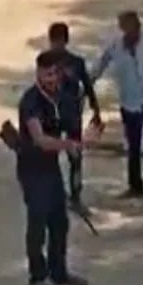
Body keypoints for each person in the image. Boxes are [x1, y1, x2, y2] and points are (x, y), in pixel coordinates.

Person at [18, 50, 90, 285]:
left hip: (51, 167)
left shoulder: (61, 98)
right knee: (37, 222)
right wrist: (68, 145)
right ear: (38, 73)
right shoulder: (30, 102)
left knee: (59, 221)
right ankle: (37, 276)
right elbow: (40, 140)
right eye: (46, 74)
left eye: (54, 74)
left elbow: (71, 127)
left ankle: (58, 271)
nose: (51, 79)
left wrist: (80, 142)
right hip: (31, 168)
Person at [91, 11, 143, 212]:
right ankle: (135, 186)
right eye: (124, 27)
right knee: (132, 146)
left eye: (131, 27)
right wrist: (86, 82)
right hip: (130, 102)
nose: (129, 32)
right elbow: (99, 65)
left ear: (138, 26)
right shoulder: (116, 45)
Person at [44, 22, 101, 212]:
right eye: (54, 41)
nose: (56, 45)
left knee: (75, 158)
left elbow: (88, 87)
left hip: (72, 115)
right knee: (49, 155)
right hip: (51, 115)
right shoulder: (44, 62)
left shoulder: (77, 63)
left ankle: (76, 196)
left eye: (59, 41)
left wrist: (96, 110)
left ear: (65, 41)